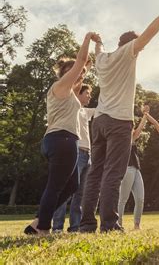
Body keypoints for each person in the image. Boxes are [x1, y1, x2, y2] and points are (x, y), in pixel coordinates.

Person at [80, 0, 159, 233]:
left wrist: (98, 40)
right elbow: (151, 31)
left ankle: (86, 224)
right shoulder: (128, 52)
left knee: (95, 173)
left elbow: (99, 48)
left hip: (100, 121)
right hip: (119, 121)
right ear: (132, 44)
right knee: (113, 173)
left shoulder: (102, 59)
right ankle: (110, 224)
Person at [24, 32, 97, 235]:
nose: (79, 74)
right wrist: (88, 38)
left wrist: (85, 68)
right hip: (62, 139)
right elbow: (81, 62)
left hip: (60, 140)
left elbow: (82, 70)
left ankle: (38, 222)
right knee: (55, 186)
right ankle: (44, 228)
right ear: (66, 73)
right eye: (74, 71)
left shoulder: (68, 92)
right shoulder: (60, 86)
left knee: (72, 185)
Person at [51, 84, 94, 233]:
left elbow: (103, 108)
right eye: (87, 93)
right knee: (66, 190)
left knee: (80, 194)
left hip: (88, 155)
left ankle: (75, 227)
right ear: (79, 93)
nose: (89, 96)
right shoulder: (72, 108)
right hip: (76, 152)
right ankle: (57, 227)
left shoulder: (86, 112)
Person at [117, 105, 149, 230]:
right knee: (123, 199)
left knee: (140, 199)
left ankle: (137, 224)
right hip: (127, 169)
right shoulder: (122, 139)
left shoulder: (132, 137)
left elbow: (139, 129)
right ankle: (118, 223)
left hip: (136, 169)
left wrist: (145, 115)